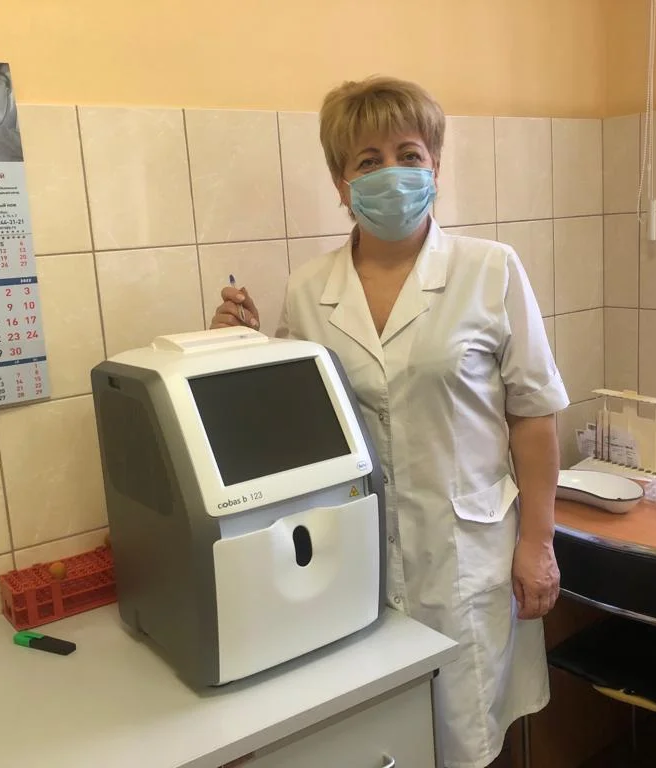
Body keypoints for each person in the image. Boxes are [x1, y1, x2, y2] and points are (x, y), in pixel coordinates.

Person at [209, 76, 569, 768]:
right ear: (341, 184)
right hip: (357, 560)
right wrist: (240, 349)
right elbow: (301, 421)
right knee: (384, 740)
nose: (392, 173)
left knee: (467, 738)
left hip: (467, 557)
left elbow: (534, 415)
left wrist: (538, 541)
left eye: (409, 154)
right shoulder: (309, 290)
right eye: (368, 160)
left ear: (435, 165)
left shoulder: (490, 270)